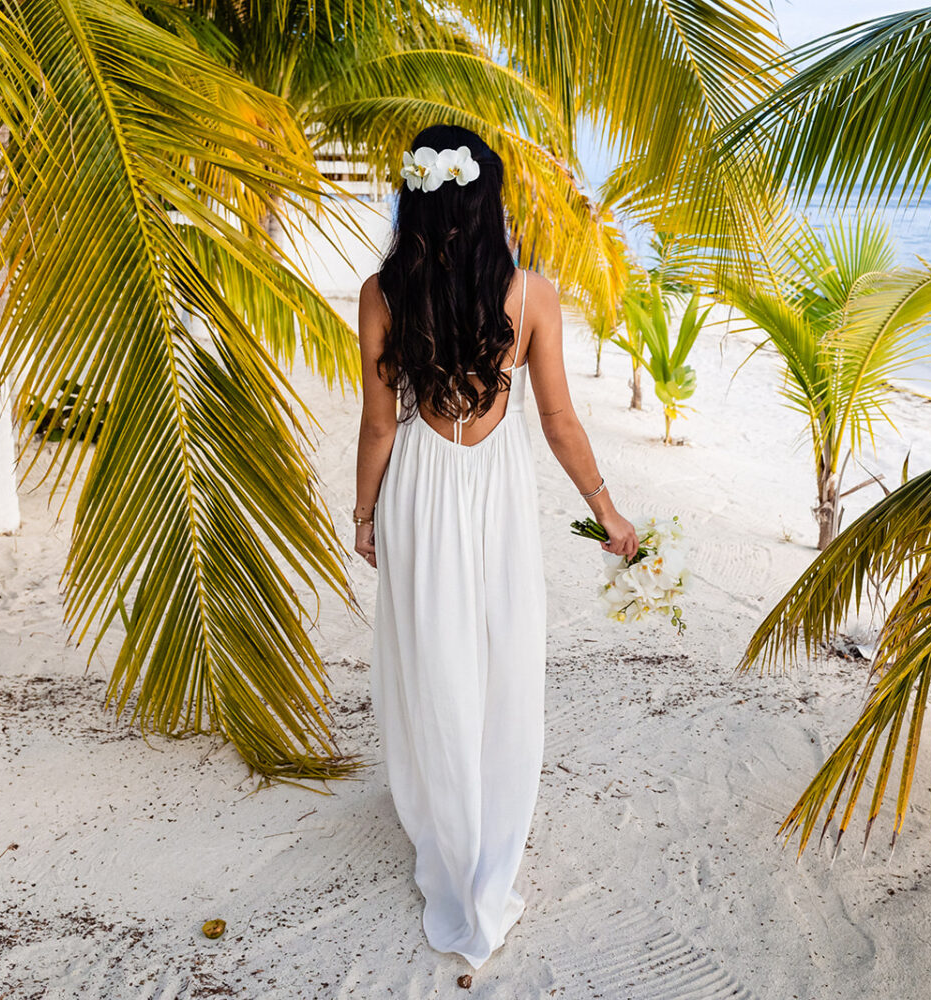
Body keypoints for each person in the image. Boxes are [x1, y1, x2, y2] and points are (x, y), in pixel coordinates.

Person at [350, 122, 638, 970]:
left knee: (432, 660)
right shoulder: (530, 297)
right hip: (497, 496)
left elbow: (377, 426)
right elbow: (558, 420)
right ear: (488, 204)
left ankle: (448, 826)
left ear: (415, 196)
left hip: (421, 492)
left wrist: (364, 514)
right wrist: (607, 512)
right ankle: (489, 832)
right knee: (502, 656)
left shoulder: (381, 294)